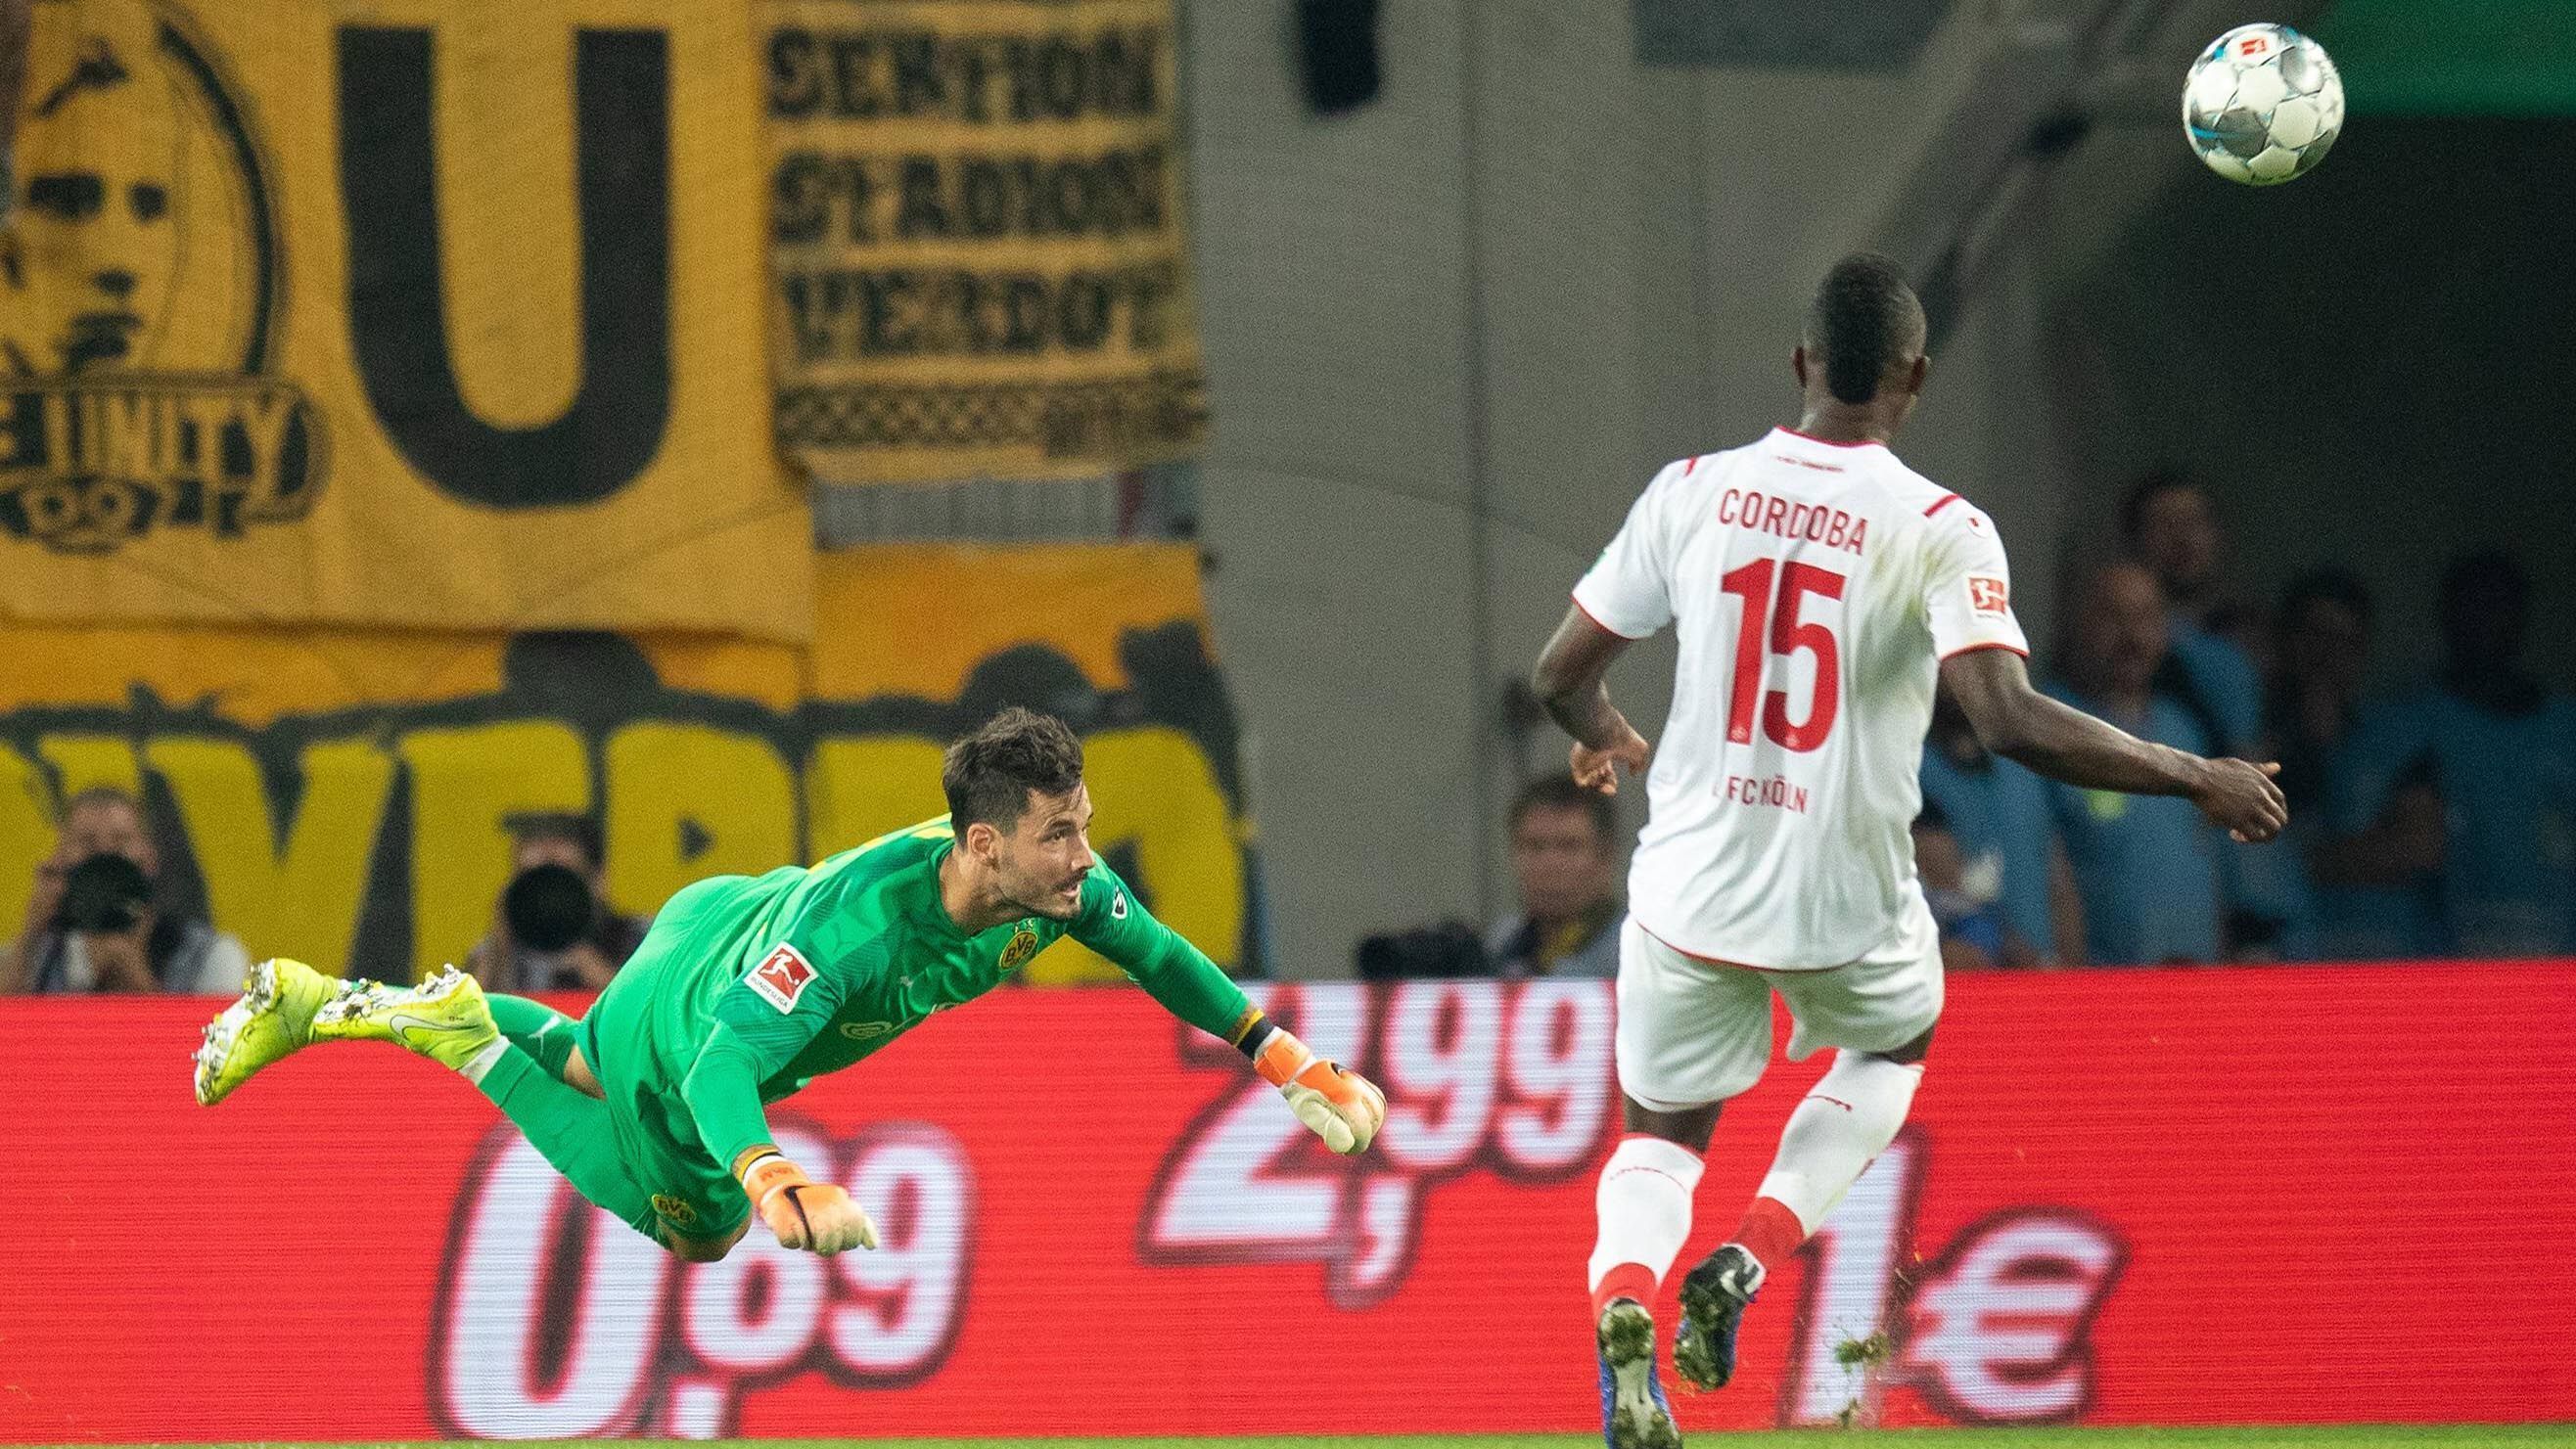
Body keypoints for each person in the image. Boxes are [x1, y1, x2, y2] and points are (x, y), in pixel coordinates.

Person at [1528, 253, 2283, 1449]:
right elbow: (2007, 718)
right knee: (1891, 1045)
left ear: (1801, 363)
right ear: (1918, 377)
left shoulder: (1690, 489)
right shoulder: (1940, 526)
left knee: (1658, 1133)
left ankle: (1626, 1309)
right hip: (1841, 899)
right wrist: (2195, 772)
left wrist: (1607, 734)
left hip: (1687, 890)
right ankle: (1749, 1253)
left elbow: (1560, 672)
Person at [196, 708, 1385, 1261]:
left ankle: (397, 1010)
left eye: (1081, 828)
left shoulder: (1052, 888)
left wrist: (1282, 1056)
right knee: (698, 1219)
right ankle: (451, 1032)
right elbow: (725, 1063)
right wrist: (773, 1180)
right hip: (705, 985)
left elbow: (1158, 951)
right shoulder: (854, 941)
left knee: (582, 1059)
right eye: (1058, 835)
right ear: (981, 845)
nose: (1085, 858)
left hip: (730, 904)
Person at [2329, 552, 2576, 957]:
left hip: (2556, 978)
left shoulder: (2565, 729)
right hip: (2444, 977)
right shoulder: (2397, 729)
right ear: (2446, 617)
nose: (2486, 622)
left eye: (2499, 606)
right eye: (2473, 607)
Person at [2044, 561, 2234, 964]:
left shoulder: (2184, 729)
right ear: (2080, 624)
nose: (2131, 636)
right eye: (2113, 616)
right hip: (2107, 994)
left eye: (2146, 618)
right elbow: (2046, 872)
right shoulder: (2048, 725)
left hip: (2198, 984)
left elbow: (2208, 863)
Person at [2, 786, 249, 994]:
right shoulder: (33, 958)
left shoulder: (211, 956)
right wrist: (32, 932)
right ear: (62, 859)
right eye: (87, 842)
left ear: (149, 858)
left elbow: (215, 1046)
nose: (106, 853)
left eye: (121, 840)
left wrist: (133, 977)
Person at [1917, 688, 2066, 966]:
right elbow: (1948, 898)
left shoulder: (2022, 762)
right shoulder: (1910, 767)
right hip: (1970, 985)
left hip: (2044, 981)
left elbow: (2059, 879)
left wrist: (2070, 983)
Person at [2121, 473, 2264, 753]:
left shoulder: (2233, 655)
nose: (2182, 538)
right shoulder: (2114, 640)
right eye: (2165, 523)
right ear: (2135, 538)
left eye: (2194, 522)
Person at [465, 813, 648, 992]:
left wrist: (596, 970)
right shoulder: (496, 952)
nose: (549, 896)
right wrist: (499, 947)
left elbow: (657, 1012)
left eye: (562, 881)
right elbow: (466, 1015)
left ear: (599, 881)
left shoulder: (642, 939)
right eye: (536, 880)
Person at [1487, 775, 1624, 979]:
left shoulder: (1637, 951)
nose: (1549, 864)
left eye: (1568, 847)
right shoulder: (1502, 944)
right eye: (1535, 846)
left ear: (1605, 857)